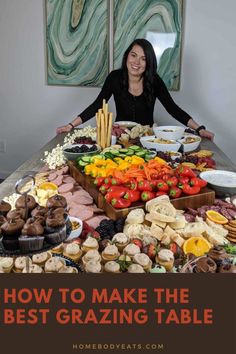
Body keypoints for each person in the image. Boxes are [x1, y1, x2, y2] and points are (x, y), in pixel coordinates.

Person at [56, 38, 214, 140]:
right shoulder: (114, 77)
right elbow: (97, 105)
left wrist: (199, 128)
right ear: (127, 57)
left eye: (143, 58)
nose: (137, 62)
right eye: (134, 55)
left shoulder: (154, 81)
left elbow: (172, 108)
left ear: (149, 63)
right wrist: (70, 125)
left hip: (148, 138)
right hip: (119, 136)